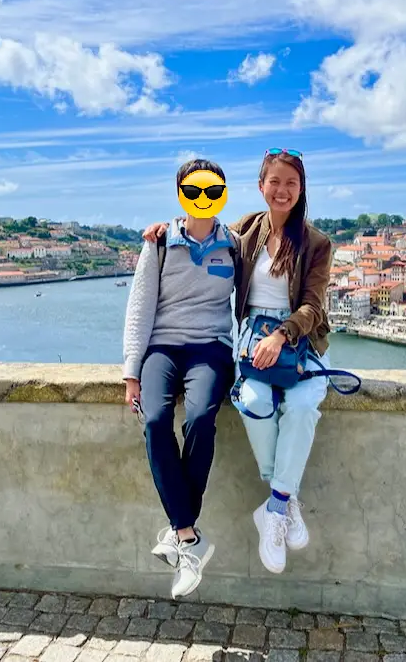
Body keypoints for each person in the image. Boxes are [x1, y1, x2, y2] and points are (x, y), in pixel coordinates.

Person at [143, 148, 333, 575]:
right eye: (275, 182)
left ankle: (278, 504)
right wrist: (164, 228)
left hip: (298, 340)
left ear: (301, 189)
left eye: (292, 183)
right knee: (253, 402)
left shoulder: (317, 243)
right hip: (251, 339)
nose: (282, 190)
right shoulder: (245, 231)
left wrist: (283, 334)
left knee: (302, 408)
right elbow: (199, 226)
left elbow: (314, 305)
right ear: (261, 186)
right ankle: (285, 499)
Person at [122, 158, 238, 599]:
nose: (204, 199)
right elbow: (139, 308)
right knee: (153, 420)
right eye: (195, 190)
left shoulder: (236, 245)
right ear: (180, 193)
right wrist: (131, 372)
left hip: (211, 348)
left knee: (201, 417)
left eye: (213, 190)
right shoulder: (158, 244)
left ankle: (181, 534)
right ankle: (189, 535)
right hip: (162, 348)